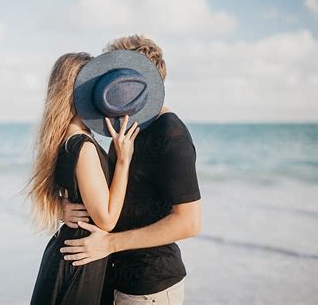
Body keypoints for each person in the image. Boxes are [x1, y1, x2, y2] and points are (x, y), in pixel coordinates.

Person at [60, 35, 202, 305]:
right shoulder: (128, 126)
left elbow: (189, 222)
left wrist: (109, 244)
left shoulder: (171, 134)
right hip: (115, 279)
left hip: (151, 288)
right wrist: (64, 207)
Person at [26, 52, 141, 304]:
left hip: (70, 255)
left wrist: (60, 208)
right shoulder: (83, 146)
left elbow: (58, 193)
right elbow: (107, 219)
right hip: (79, 261)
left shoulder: (61, 140)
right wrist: (123, 160)